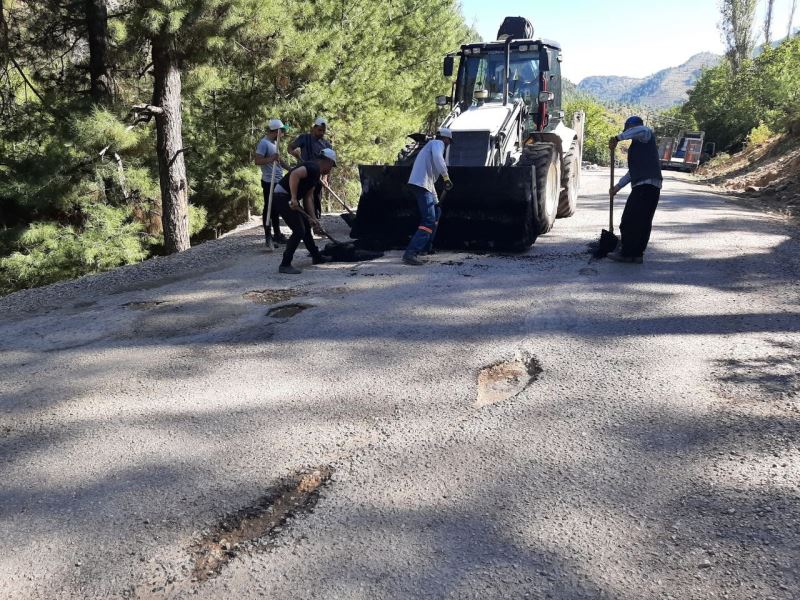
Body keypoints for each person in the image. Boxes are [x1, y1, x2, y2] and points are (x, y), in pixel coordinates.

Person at [272, 148, 338, 274]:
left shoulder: (316, 174)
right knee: (299, 230)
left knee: (306, 226)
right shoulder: (312, 167)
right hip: (281, 196)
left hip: (287, 197)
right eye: (332, 165)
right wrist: (293, 197)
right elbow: (294, 174)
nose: (331, 169)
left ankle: (316, 257)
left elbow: (308, 197)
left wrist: (313, 218)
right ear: (328, 161)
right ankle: (285, 264)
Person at [608, 116, 663, 264]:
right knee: (643, 222)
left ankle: (626, 254)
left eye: (629, 130)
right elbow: (633, 172)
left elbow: (641, 129)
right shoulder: (638, 147)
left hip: (645, 186)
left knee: (629, 220)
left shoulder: (645, 135)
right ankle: (637, 254)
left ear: (632, 128)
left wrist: (618, 138)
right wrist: (617, 187)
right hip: (650, 186)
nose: (629, 134)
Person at [402, 128, 454, 266]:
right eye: (449, 141)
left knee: (436, 212)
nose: (448, 144)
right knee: (429, 219)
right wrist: (446, 177)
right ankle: (410, 253)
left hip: (424, 185)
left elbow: (430, 181)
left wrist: (436, 202)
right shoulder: (437, 143)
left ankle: (425, 247)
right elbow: (438, 158)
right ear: (446, 139)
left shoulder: (429, 148)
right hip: (421, 184)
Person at [254, 119, 290, 246]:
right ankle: (268, 236)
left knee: (276, 208)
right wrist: (270, 159)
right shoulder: (263, 143)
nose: (284, 133)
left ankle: (278, 234)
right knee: (268, 208)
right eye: (282, 131)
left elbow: (279, 161)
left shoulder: (274, 143)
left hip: (278, 180)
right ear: (276, 131)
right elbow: (257, 161)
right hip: (269, 181)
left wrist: (291, 169)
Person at [289, 117, 332, 221]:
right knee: (305, 196)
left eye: (323, 131)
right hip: (303, 173)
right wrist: (294, 153)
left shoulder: (326, 144)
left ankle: (316, 220)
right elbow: (290, 148)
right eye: (319, 130)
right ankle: (305, 220)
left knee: (316, 197)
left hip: (318, 176)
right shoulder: (304, 138)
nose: (321, 133)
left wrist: (325, 178)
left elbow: (328, 162)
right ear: (313, 128)